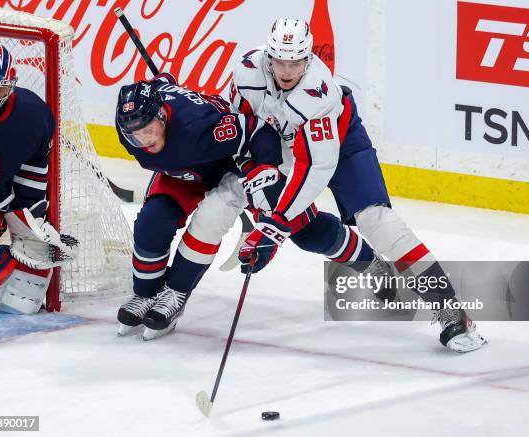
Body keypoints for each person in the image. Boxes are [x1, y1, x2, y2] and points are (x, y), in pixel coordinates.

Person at [196, 18, 485, 352]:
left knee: (378, 221)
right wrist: (255, 177)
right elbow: (239, 124)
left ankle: (451, 308)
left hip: (340, 146)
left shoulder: (319, 93)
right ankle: (368, 263)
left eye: (296, 62)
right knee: (304, 231)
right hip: (279, 148)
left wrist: (272, 225)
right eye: (280, 61)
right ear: (268, 57)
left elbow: (315, 169)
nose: (287, 70)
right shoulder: (246, 71)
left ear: (308, 58)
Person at [114, 72, 390, 340]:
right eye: (134, 135)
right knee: (153, 221)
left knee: (304, 231)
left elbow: (257, 131)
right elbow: (161, 82)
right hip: (185, 171)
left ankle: (369, 262)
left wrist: (266, 168)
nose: (143, 140)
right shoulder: (129, 123)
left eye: (148, 130)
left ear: (161, 115)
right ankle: (146, 294)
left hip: (235, 164)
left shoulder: (200, 125)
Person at [0, 42, 78, 326]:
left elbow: (33, 173)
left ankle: (5, 257)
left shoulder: (31, 116)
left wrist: (32, 220)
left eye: (4, 88)